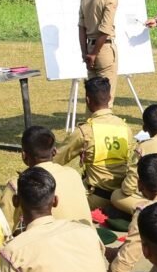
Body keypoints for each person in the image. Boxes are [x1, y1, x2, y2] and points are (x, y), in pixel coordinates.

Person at [54, 77, 132, 210]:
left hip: (95, 198)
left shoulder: (85, 132)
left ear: (88, 100)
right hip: (122, 196)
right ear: (109, 97)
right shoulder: (125, 127)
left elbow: (55, 160)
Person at [0, 126, 92, 232]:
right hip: (88, 242)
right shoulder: (73, 174)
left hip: (50, 245)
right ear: (54, 152)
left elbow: (2, 230)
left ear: (24, 155)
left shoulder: (19, 184)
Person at [78, 0, 119, 105]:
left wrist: (86, 53)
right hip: (103, 49)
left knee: (92, 97)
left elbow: (81, 27)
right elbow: (105, 29)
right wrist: (94, 53)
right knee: (105, 98)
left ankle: (90, 127)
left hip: (89, 47)